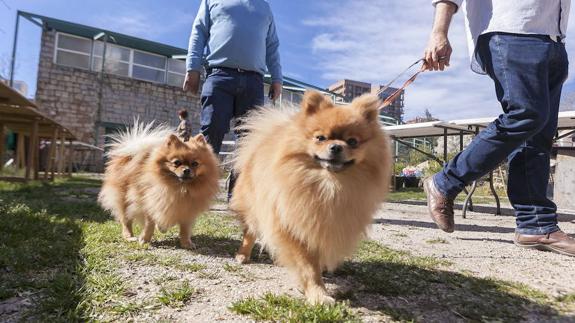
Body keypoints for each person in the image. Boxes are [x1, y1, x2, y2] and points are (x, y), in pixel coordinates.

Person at [423, 0, 575, 257]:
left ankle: (535, 225)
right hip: (512, 29)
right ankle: (446, 181)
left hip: (554, 38)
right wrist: (439, 31)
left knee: (538, 136)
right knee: (526, 114)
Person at [183, 0, 282, 200]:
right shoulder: (211, 1)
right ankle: (197, 194)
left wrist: (277, 78)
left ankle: (237, 197)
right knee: (212, 130)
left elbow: (271, 46)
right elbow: (199, 32)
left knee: (249, 141)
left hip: (254, 80)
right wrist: (192, 67)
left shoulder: (264, 7)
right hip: (219, 75)